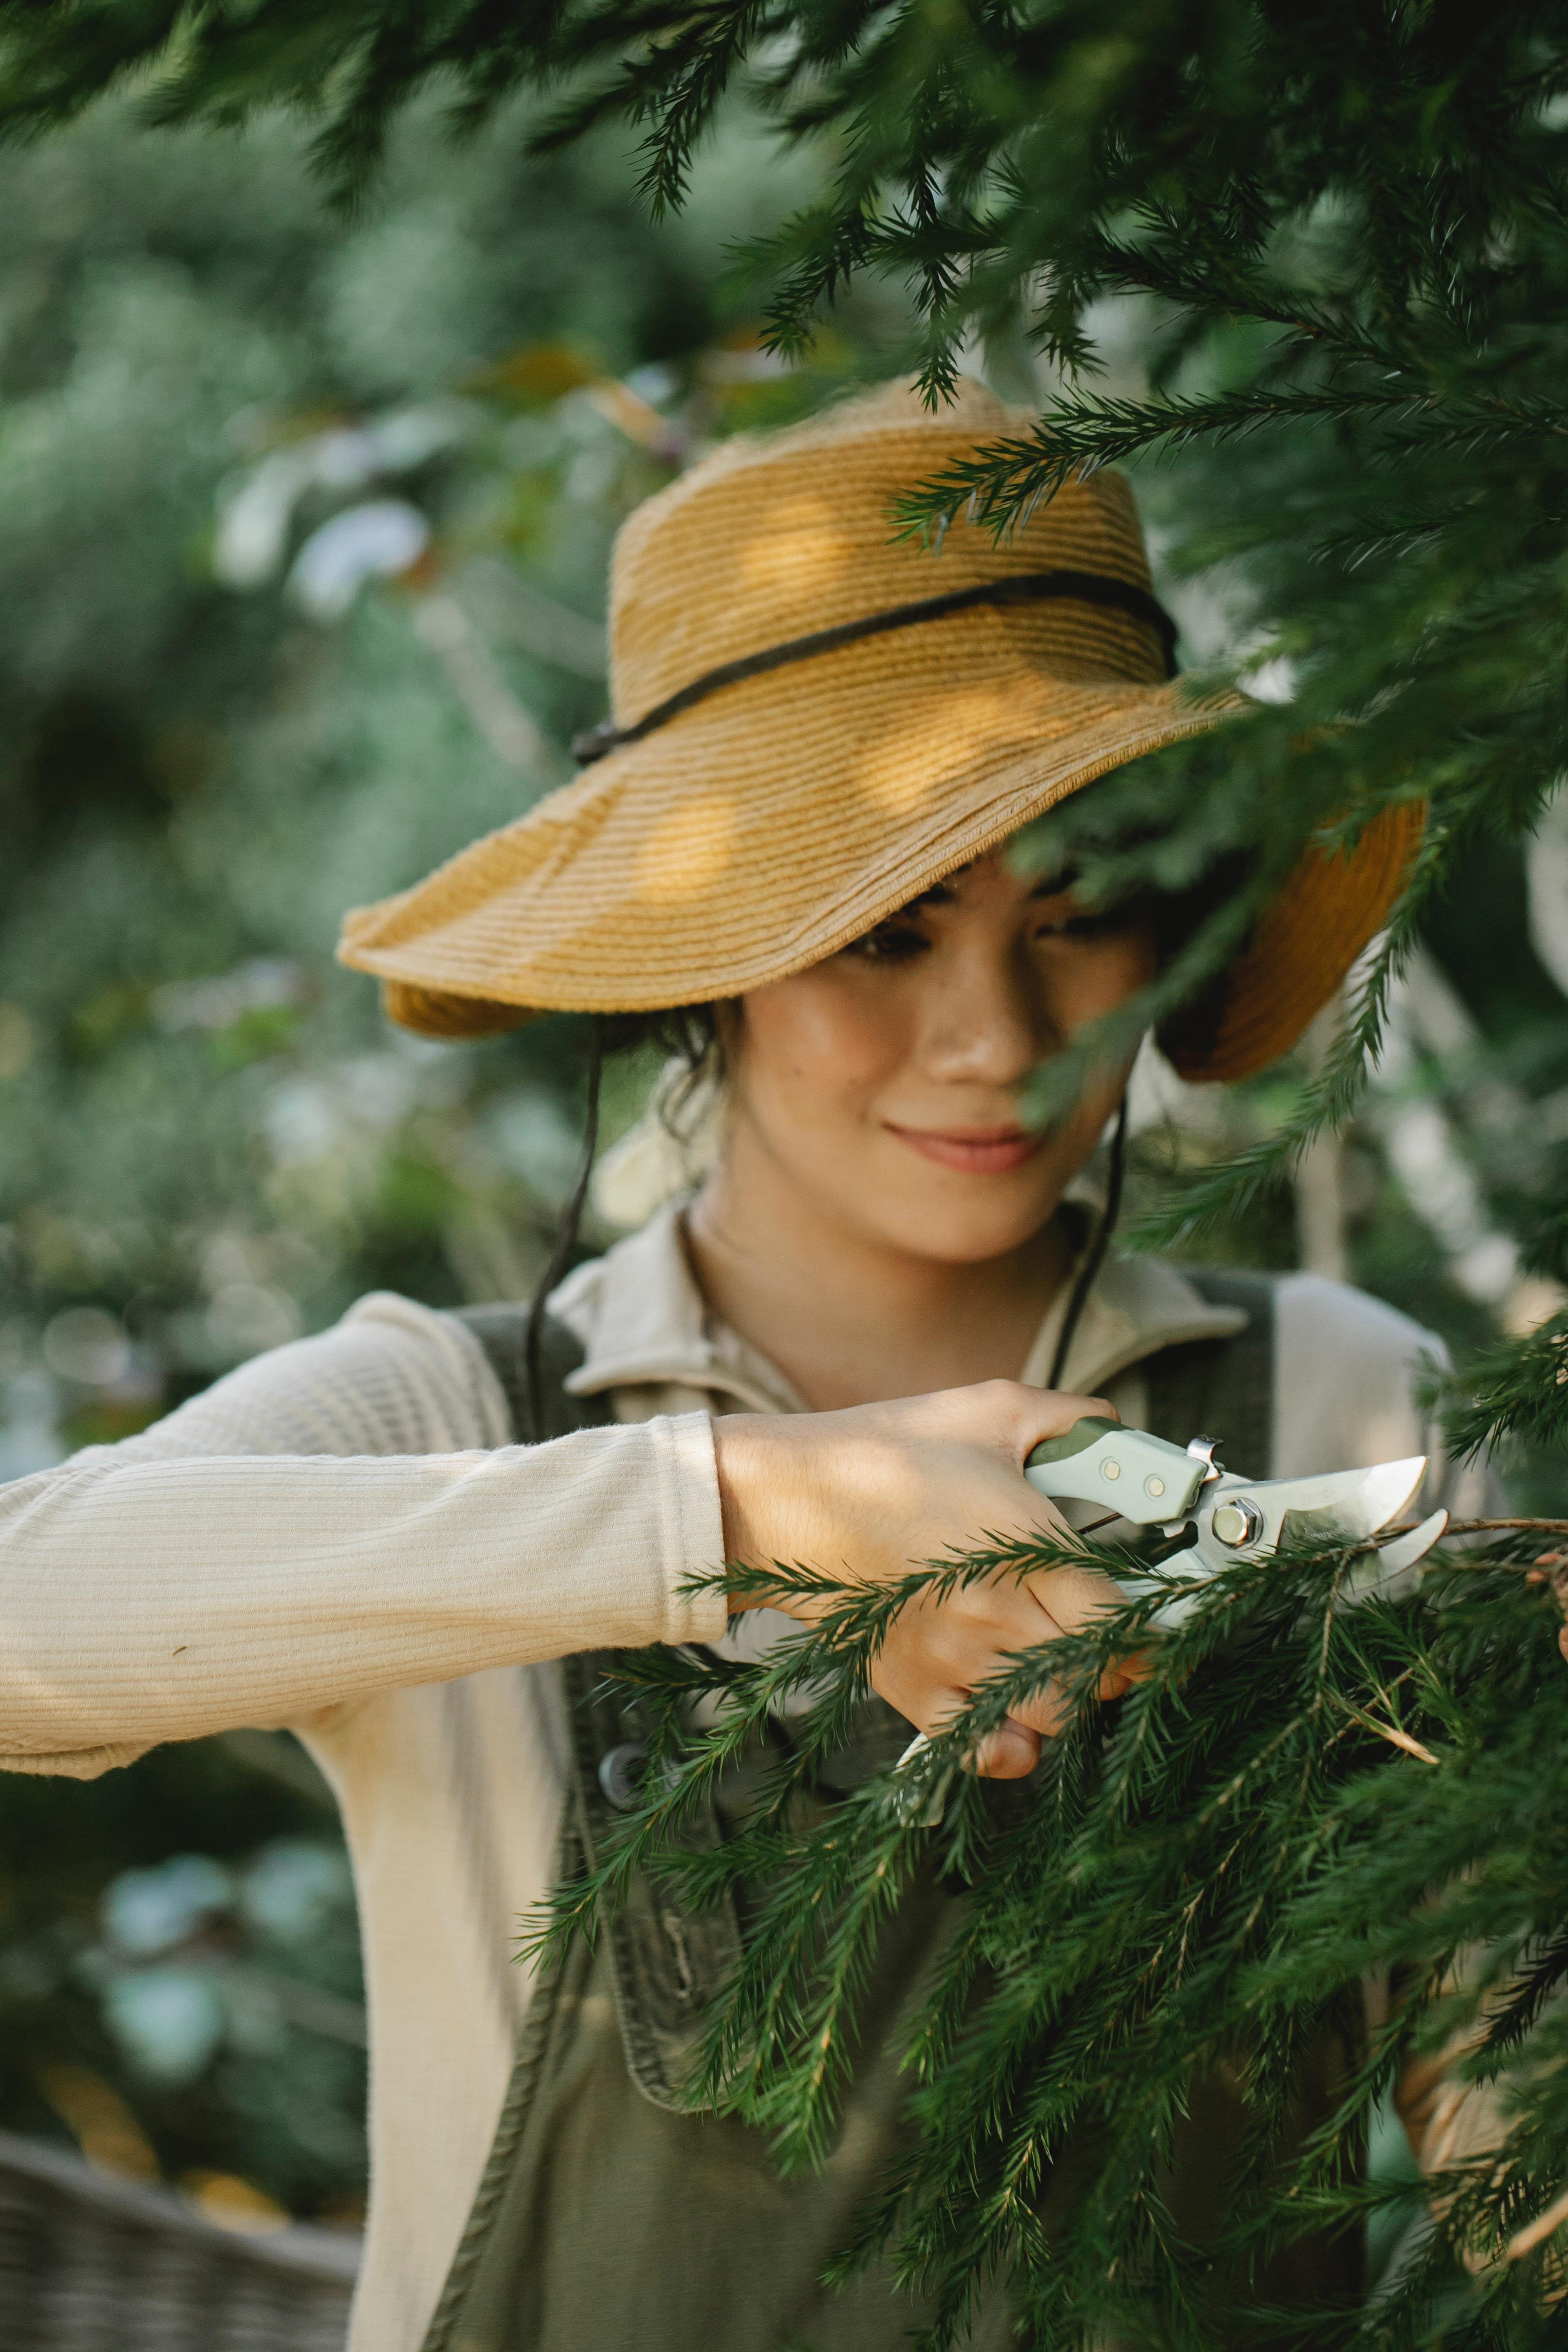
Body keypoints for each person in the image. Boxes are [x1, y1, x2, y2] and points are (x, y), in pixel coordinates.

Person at [0, 378, 1471, 2351]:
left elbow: (1507, 2132)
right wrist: (743, 1511)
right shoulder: (459, 1411)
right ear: (704, 955)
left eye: (1084, 912)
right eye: (884, 930)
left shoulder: (1342, 1408)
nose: (989, 1036)